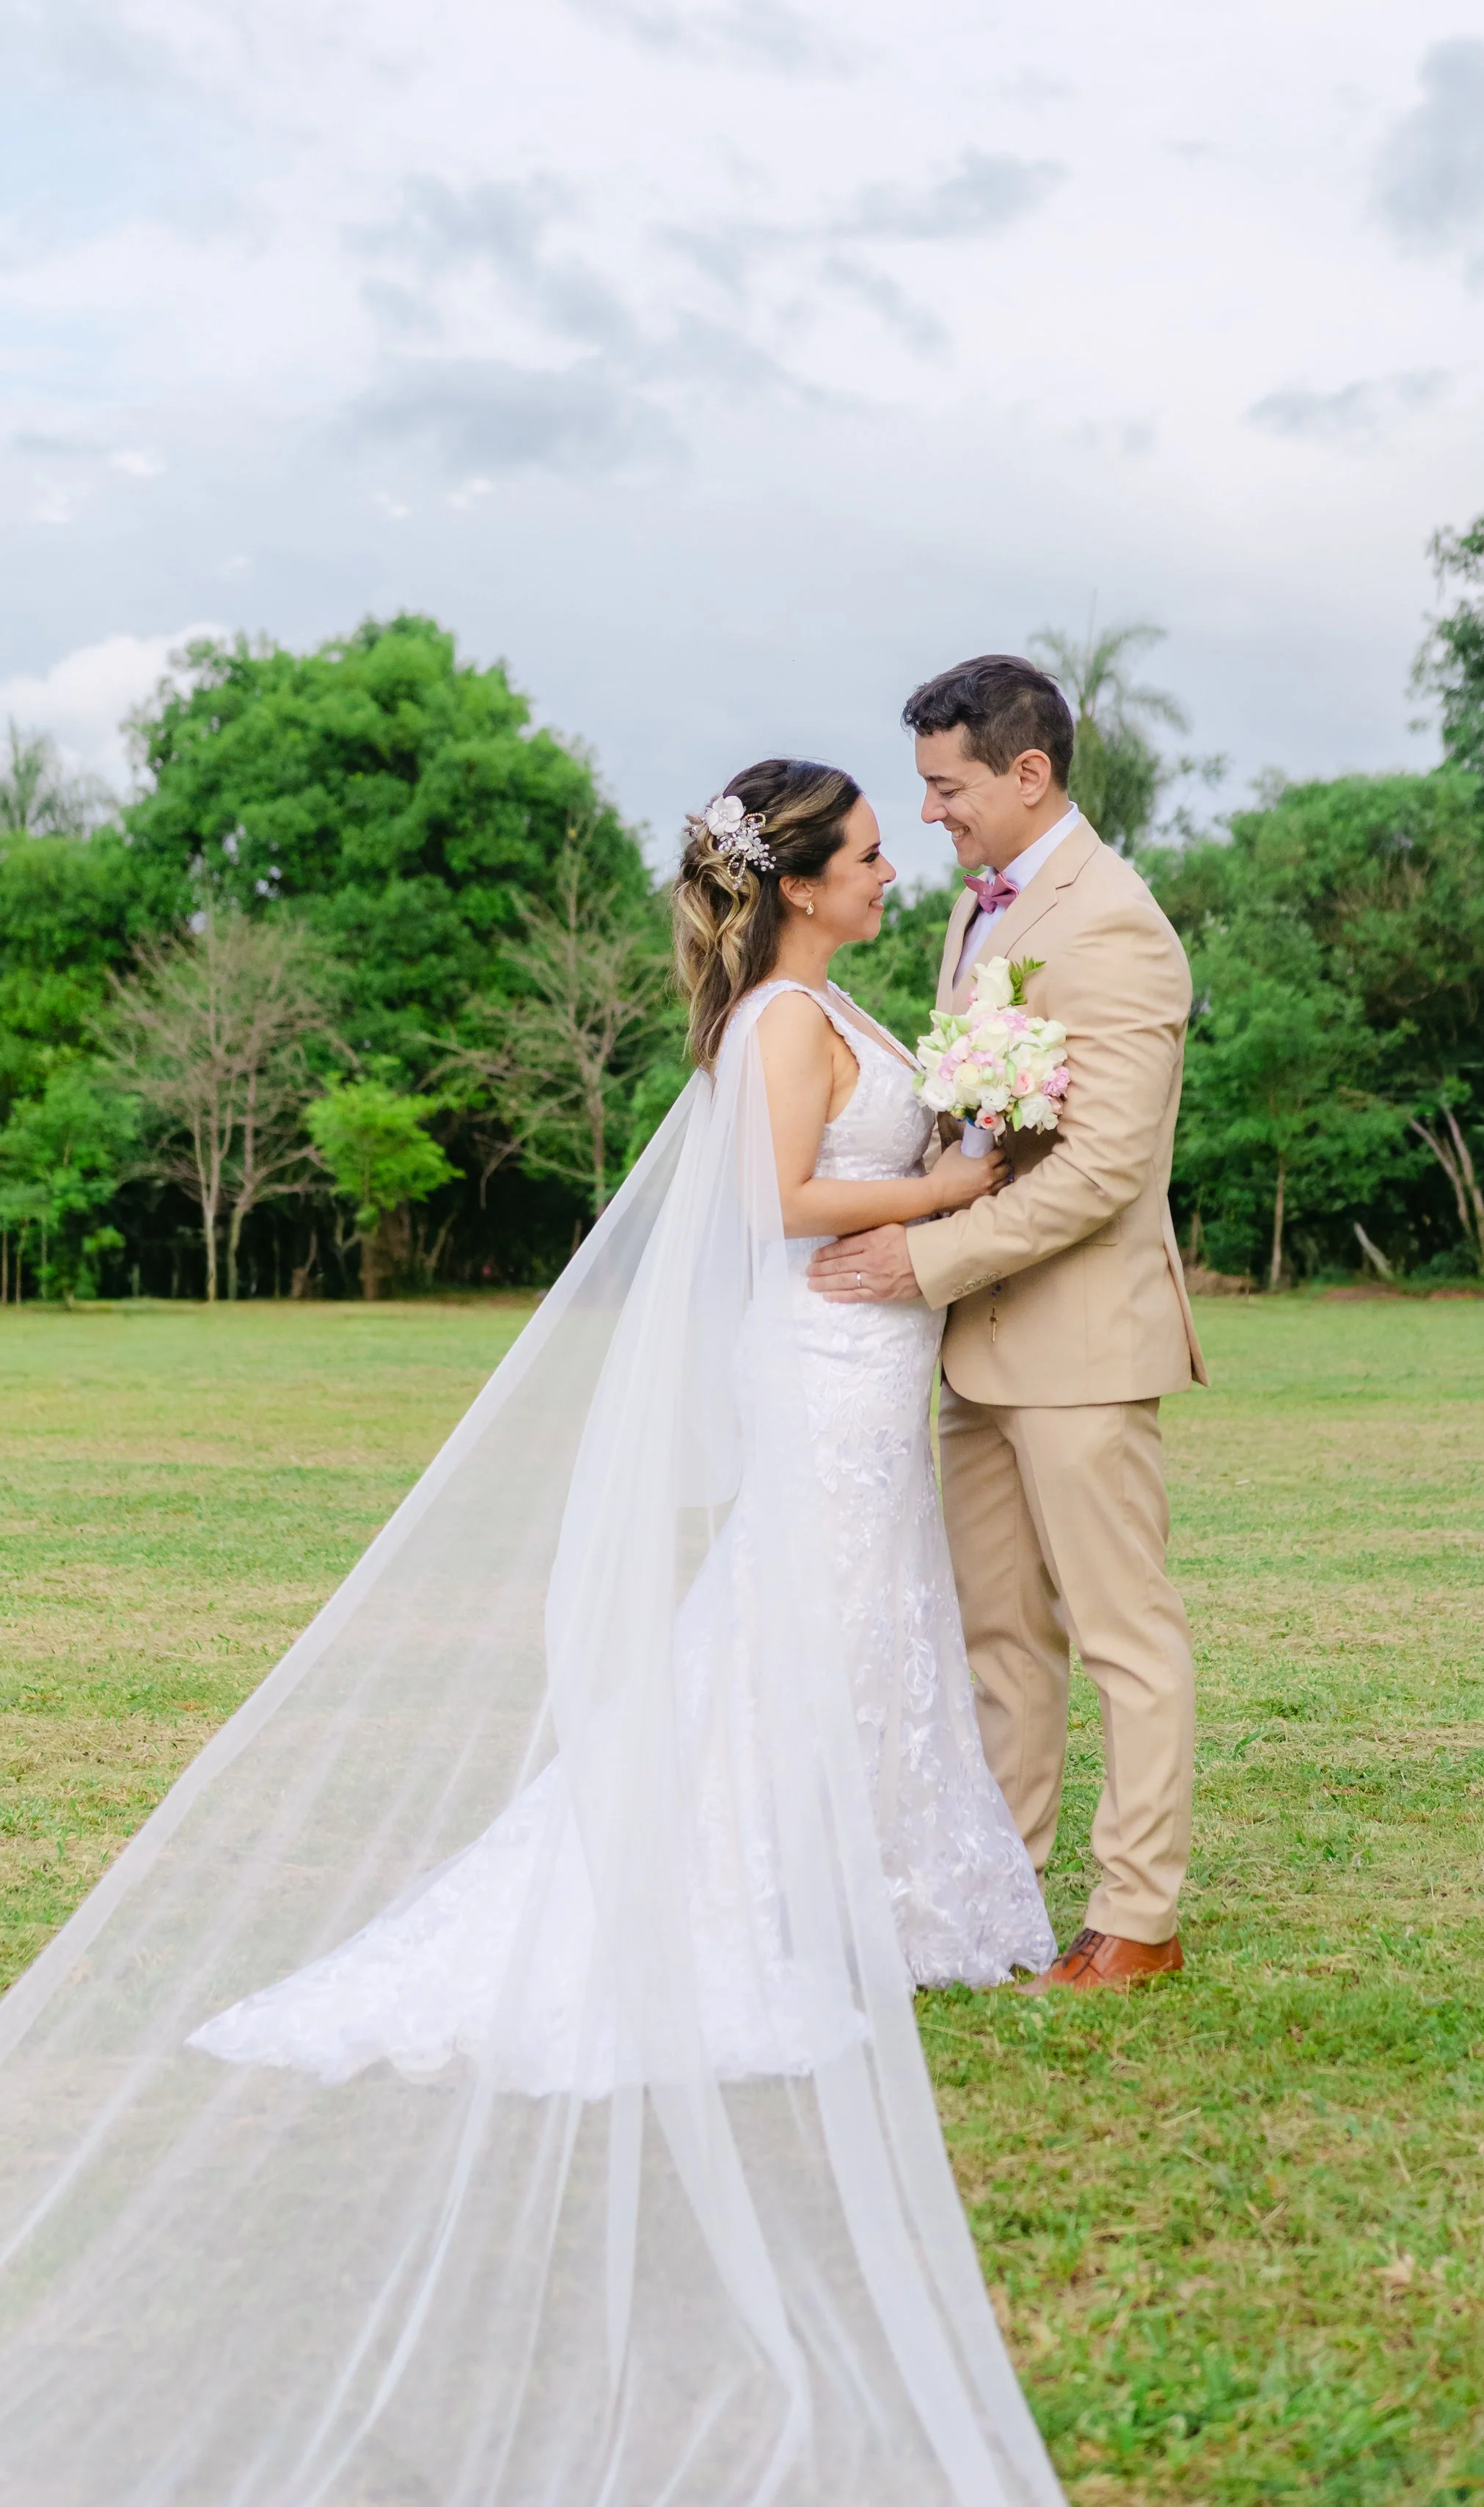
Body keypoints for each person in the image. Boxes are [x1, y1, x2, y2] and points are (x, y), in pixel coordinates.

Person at [0, 758, 1064, 2506]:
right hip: (822, 1363)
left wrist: (971, 1135)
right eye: (869, 853)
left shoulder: (822, 999)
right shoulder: (789, 1023)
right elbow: (776, 1210)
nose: (890, 872)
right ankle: (767, 1888)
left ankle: (872, 1874)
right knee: (810, 1621)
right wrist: (947, 1196)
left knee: (857, 1625)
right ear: (795, 882)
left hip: (867, 1366)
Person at [809, 659, 1206, 1995]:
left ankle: (1137, 1918)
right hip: (978, 1342)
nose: (928, 815)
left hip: (1082, 1344)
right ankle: (1001, 1888)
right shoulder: (984, 915)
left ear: (1027, 774)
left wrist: (920, 1258)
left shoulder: (1119, 926)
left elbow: (1100, 1170)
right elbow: (970, 1121)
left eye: (945, 786)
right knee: (998, 1634)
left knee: (1121, 1636)